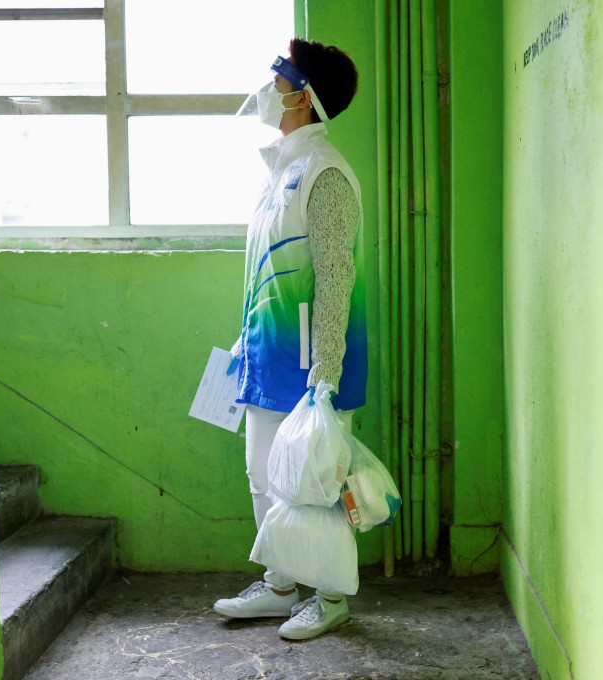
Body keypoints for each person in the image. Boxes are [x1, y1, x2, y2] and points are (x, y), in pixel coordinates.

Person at [214, 37, 366, 641]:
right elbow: (269, 273)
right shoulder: (282, 171)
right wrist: (245, 340)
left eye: (278, 78)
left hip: (310, 364)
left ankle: (330, 598)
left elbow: (335, 276)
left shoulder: (324, 174)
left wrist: (326, 370)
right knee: (263, 475)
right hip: (268, 354)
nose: (267, 88)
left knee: (315, 483)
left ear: (301, 97)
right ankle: (280, 585)